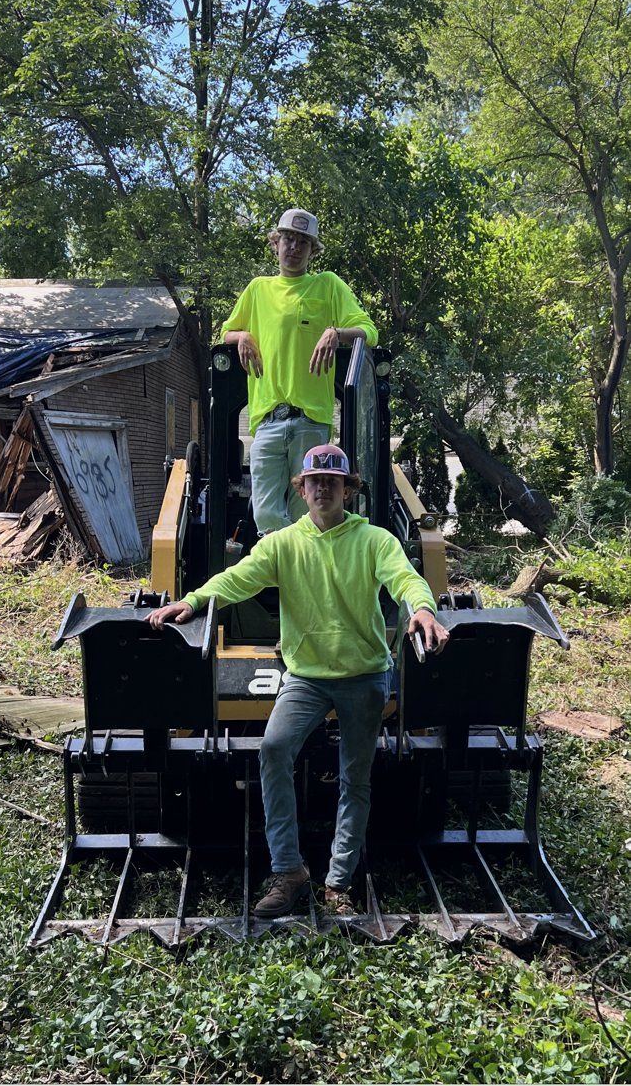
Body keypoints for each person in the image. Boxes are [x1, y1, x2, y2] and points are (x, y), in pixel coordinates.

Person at [147, 445, 450, 917]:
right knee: (273, 749)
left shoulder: (375, 540)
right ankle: (289, 871)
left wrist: (424, 608)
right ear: (302, 490)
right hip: (305, 679)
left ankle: (338, 883)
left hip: (366, 676)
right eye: (315, 481)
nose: (323, 488)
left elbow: (406, 580)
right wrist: (195, 600)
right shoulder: (282, 543)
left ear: (347, 489)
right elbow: (239, 578)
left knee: (356, 778)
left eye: (333, 481)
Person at [221, 208, 378, 532]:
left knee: (306, 518)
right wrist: (244, 335)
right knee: (264, 513)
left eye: (302, 242)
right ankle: (288, 566)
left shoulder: (328, 286)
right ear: (275, 243)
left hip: (311, 422)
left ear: (312, 250)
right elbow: (226, 333)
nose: (293, 247)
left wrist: (337, 333)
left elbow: (369, 332)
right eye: (287, 239)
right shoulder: (257, 290)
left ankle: (295, 579)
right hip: (267, 420)